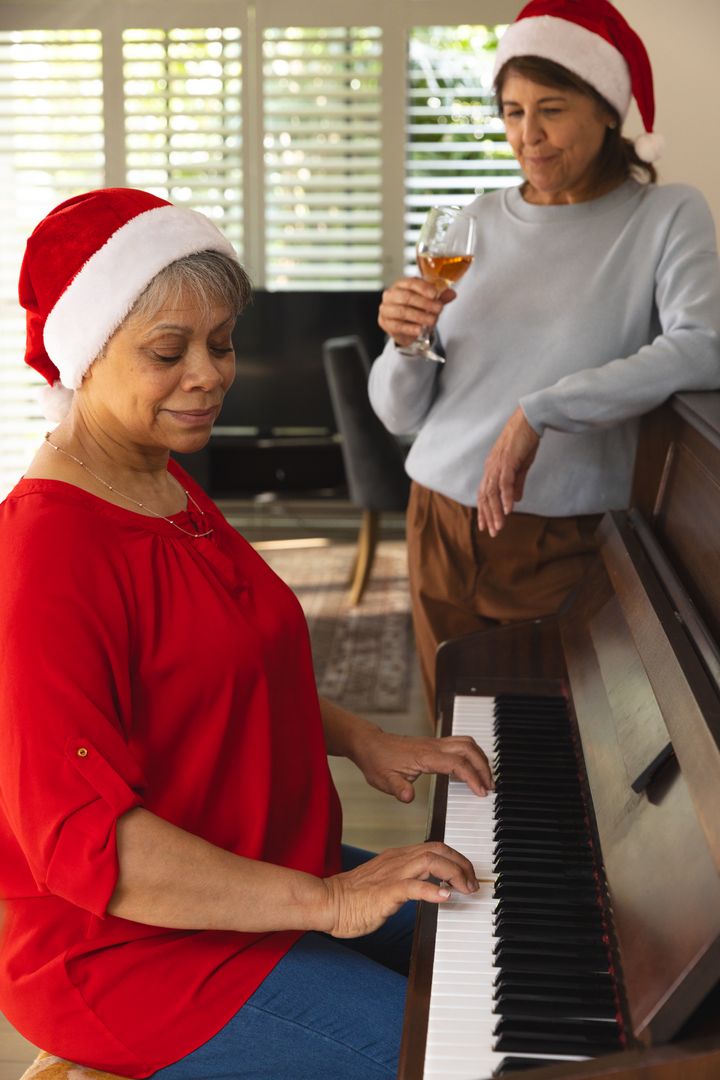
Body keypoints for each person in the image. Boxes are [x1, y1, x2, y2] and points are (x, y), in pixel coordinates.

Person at [0, 187, 494, 1080]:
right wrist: (332, 900)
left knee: (506, 934)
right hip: (131, 952)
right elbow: (95, 850)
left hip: (255, 864)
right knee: (460, 1060)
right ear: (84, 357)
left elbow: (229, 662)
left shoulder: (159, 479)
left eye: (221, 343)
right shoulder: (44, 554)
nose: (210, 374)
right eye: (167, 351)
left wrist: (363, 739)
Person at [369, 0, 720, 711]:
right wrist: (406, 339)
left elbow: (703, 347)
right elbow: (400, 412)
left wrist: (542, 409)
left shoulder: (665, 217)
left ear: (606, 110)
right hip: (438, 517)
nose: (528, 137)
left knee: (554, 743)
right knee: (456, 736)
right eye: (512, 112)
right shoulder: (472, 223)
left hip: (561, 535)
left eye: (551, 109)